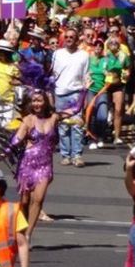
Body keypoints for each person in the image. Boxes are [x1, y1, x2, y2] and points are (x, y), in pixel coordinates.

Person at [0, 90, 58, 239]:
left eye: (39, 100)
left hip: (45, 164)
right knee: (24, 201)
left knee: (39, 199)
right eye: (34, 101)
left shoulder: (54, 118)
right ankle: (21, 230)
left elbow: (75, 110)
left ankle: (28, 235)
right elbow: (16, 140)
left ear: (46, 102)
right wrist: (3, 154)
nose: (36, 104)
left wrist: (84, 90)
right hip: (27, 164)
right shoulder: (28, 120)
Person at [51, 29, 89, 167]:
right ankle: (65, 155)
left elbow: (86, 76)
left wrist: (85, 96)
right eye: (66, 36)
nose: (69, 39)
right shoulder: (57, 54)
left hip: (76, 93)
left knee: (77, 126)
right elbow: (53, 74)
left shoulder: (84, 55)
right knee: (63, 127)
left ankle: (77, 156)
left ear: (77, 38)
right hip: (60, 93)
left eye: (72, 37)